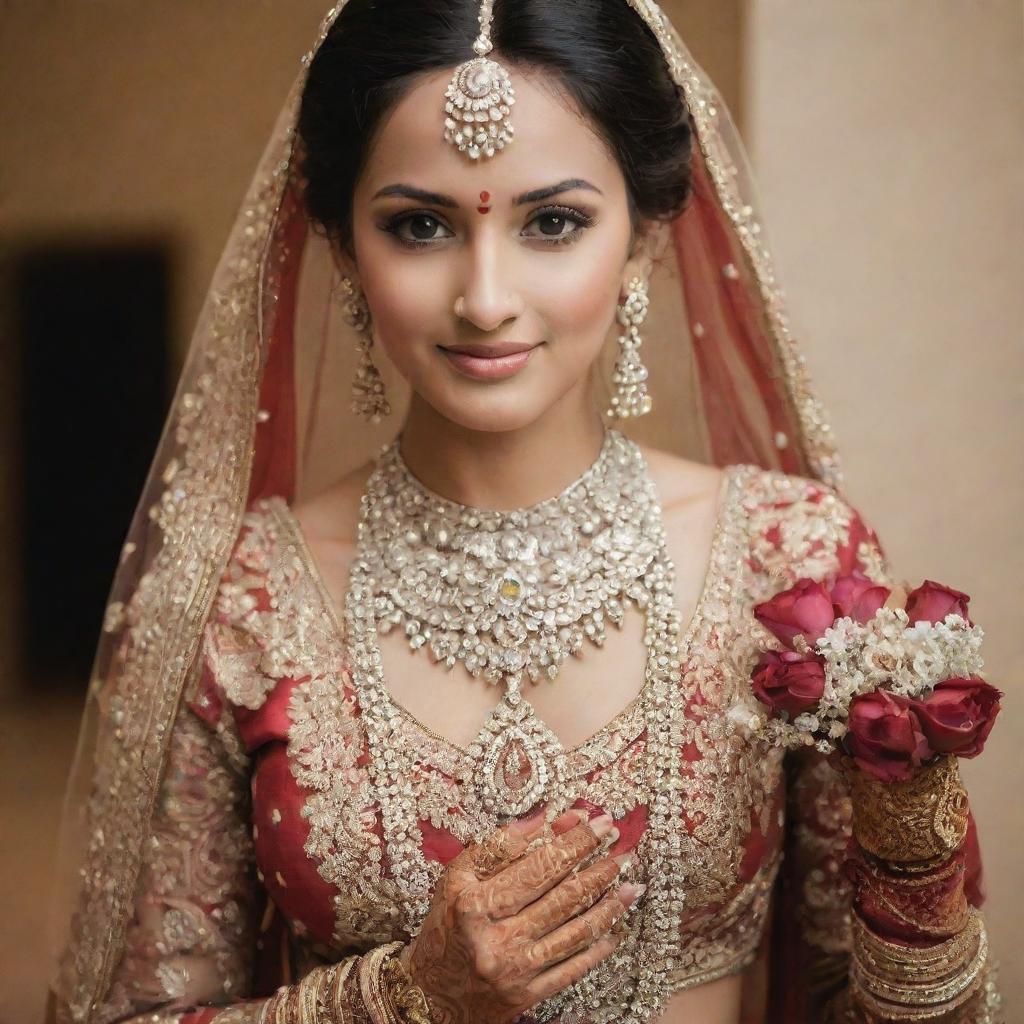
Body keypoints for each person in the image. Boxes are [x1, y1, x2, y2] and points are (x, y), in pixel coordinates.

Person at [46, 2, 1002, 1022]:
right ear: (339, 245)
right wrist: (404, 998)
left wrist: (914, 871)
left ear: (644, 237)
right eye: (420, 225)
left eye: (553, 222)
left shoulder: (790, 564)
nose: (486, 297)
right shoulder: (243, 598)